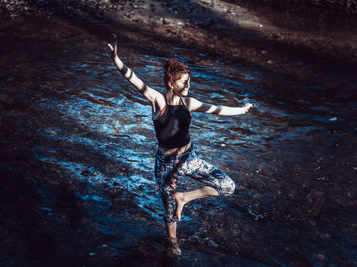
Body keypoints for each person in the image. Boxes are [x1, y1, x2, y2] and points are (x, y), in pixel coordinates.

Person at [107, 34, 253, 255]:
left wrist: (241, 110)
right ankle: (172, 242)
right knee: (168, 211)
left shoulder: (189, 103)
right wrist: (117, 59)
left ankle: (185, 197)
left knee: (227, 186)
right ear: (170, 82)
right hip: (166, 165)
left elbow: (217, 109)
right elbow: (134, 79)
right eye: (184, 81)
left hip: (189, 159)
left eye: (189, 81)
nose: (188, 85)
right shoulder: (158, 100)